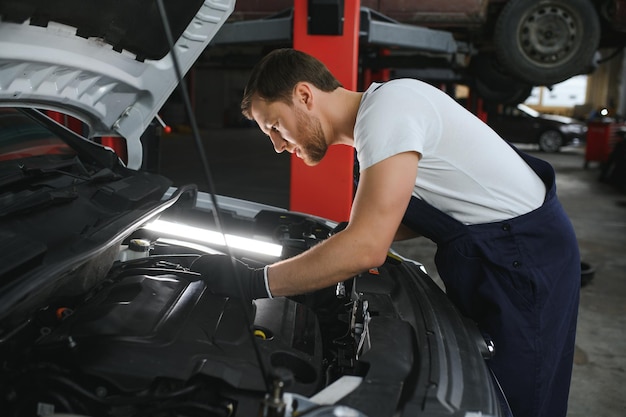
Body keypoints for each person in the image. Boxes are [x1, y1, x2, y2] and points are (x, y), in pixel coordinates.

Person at [191, 48, 580, 417]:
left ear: (304, 95)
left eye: (275, 126)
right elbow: (397, 220)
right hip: (501, 253)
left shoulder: (387, 113)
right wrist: (337, 244)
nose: (277, 145)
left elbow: (367, 248)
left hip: (524, 258)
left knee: (517, 400)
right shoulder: (381, 123)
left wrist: (255, 282)